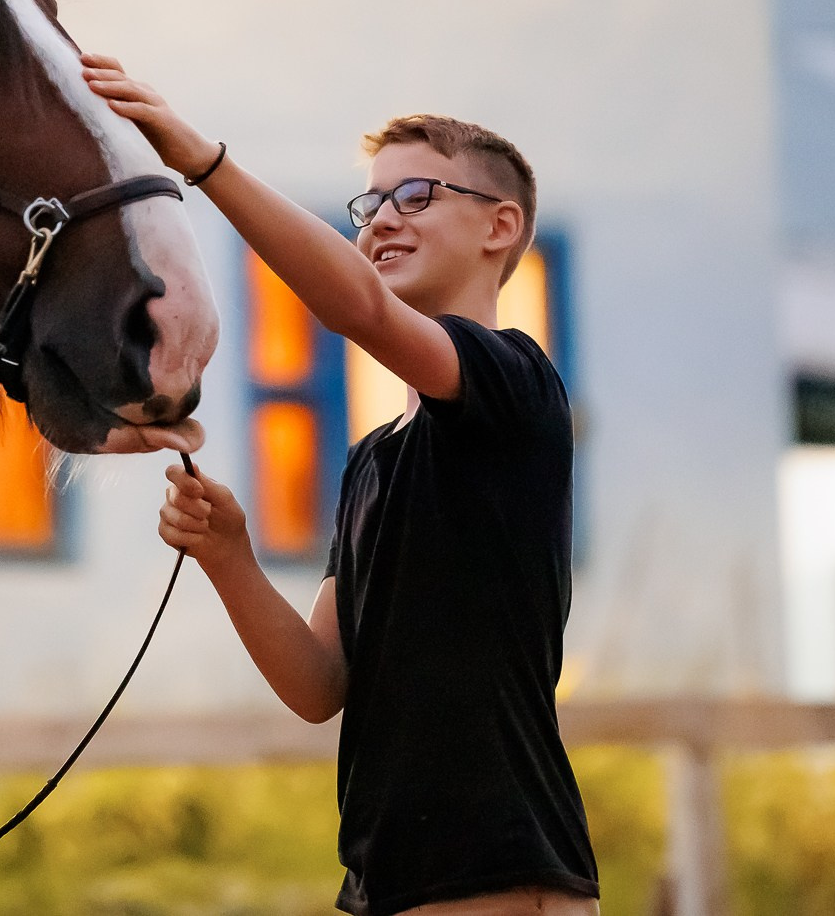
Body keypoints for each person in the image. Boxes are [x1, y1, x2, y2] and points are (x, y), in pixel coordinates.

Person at [83, 54, 598, 916]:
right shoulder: (373, 459)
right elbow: (321, 686)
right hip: (386, 886)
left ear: (500, 227)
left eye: (417, 195)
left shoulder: (517, 384)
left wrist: (202, 163)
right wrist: (228, 554)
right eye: (371, 203)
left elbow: (354, 307)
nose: (383, 219)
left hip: (500, 878)